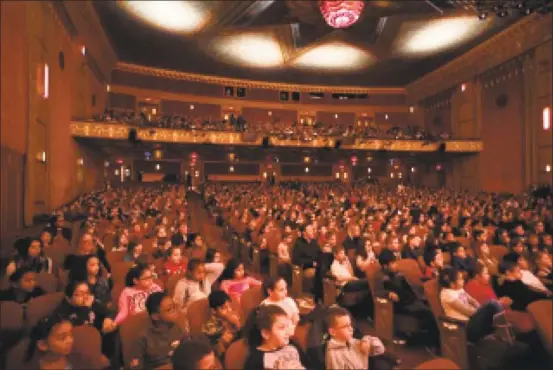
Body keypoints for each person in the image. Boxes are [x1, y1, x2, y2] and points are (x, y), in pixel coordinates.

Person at [439, 267, 507, 343]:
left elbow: (472, 300)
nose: (463, 280)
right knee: (492, 304)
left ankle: (503, 330)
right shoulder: (447, 295)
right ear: (452, 284)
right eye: (460, 279)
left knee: (491, 305)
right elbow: (468, 311)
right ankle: (505, 330)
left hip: (471, 321)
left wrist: (481, 309)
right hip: (464, 328)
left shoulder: (458, 288)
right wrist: (481, 312)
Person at [129, 292, 187, 369]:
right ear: (155, 316)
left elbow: (188, 355)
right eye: (169, 309)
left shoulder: (178, 329)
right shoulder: (143, 337)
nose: (174, 311)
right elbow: (136, 365)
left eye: (174, 307)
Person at [244, 305, 305, 370]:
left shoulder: (292, 345)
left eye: (287, 326)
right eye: (282, 328)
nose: (288, 332)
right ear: (266, 333)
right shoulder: (255, 360)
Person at [25, 316, 99, 369]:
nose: (70, 340)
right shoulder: (36, 366)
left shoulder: (75, 356)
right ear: (43, 344)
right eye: (62, 337)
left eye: (71, 334)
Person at [201, 290, 241, 359]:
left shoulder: (233, 317)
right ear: (214, 311)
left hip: (237, 350)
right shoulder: (209, 327)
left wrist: (237, 323)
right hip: (223, 356)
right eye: (224, 308)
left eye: (229, 306)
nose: (229, 310)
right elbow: (215, 351)